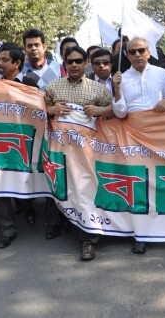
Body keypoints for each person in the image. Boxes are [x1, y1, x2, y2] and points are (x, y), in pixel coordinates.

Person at [45, 46, 113, 261]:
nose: (74, 65)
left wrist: (101, 111)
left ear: (86, 64)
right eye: (70, 61)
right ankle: (57, 224)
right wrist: (52, 110)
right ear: (64, 64)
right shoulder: (53, 87)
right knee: (59, 186)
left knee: (85, 190)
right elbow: (40, 109)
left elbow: (115, 111)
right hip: (59, 150)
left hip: (87, 153)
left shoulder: (98, 90)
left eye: (78, 61)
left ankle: (88, 240)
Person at [112, 37, 165, 255]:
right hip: (134, 140)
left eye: (141, 50)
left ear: (149, 52)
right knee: (140, 185)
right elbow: (120, 112)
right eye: (132, 52)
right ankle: (141, 234)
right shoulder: (121, 78)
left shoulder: (162, 74)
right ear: (127, 55)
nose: (137, 55)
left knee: (163, 182)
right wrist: (117, 89)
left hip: (162, 138)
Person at [0, 43, 38, 249]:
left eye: (4, 60)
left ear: (17, 63)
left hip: (24, 141)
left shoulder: (30, 84)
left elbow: (39, 109)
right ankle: (7, 229)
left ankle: (28, 208)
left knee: (24, 179)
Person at [20, 29, 63, 238]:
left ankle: (53, 221)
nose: (33, 49)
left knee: (52, 171)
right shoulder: (20, 73)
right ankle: (27, 210)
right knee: (32, 171)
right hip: (31, 131)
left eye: (37, 45)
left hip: (57, 130)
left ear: (44, 46)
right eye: (29, 46)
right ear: (24, 49)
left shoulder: (59, 69)